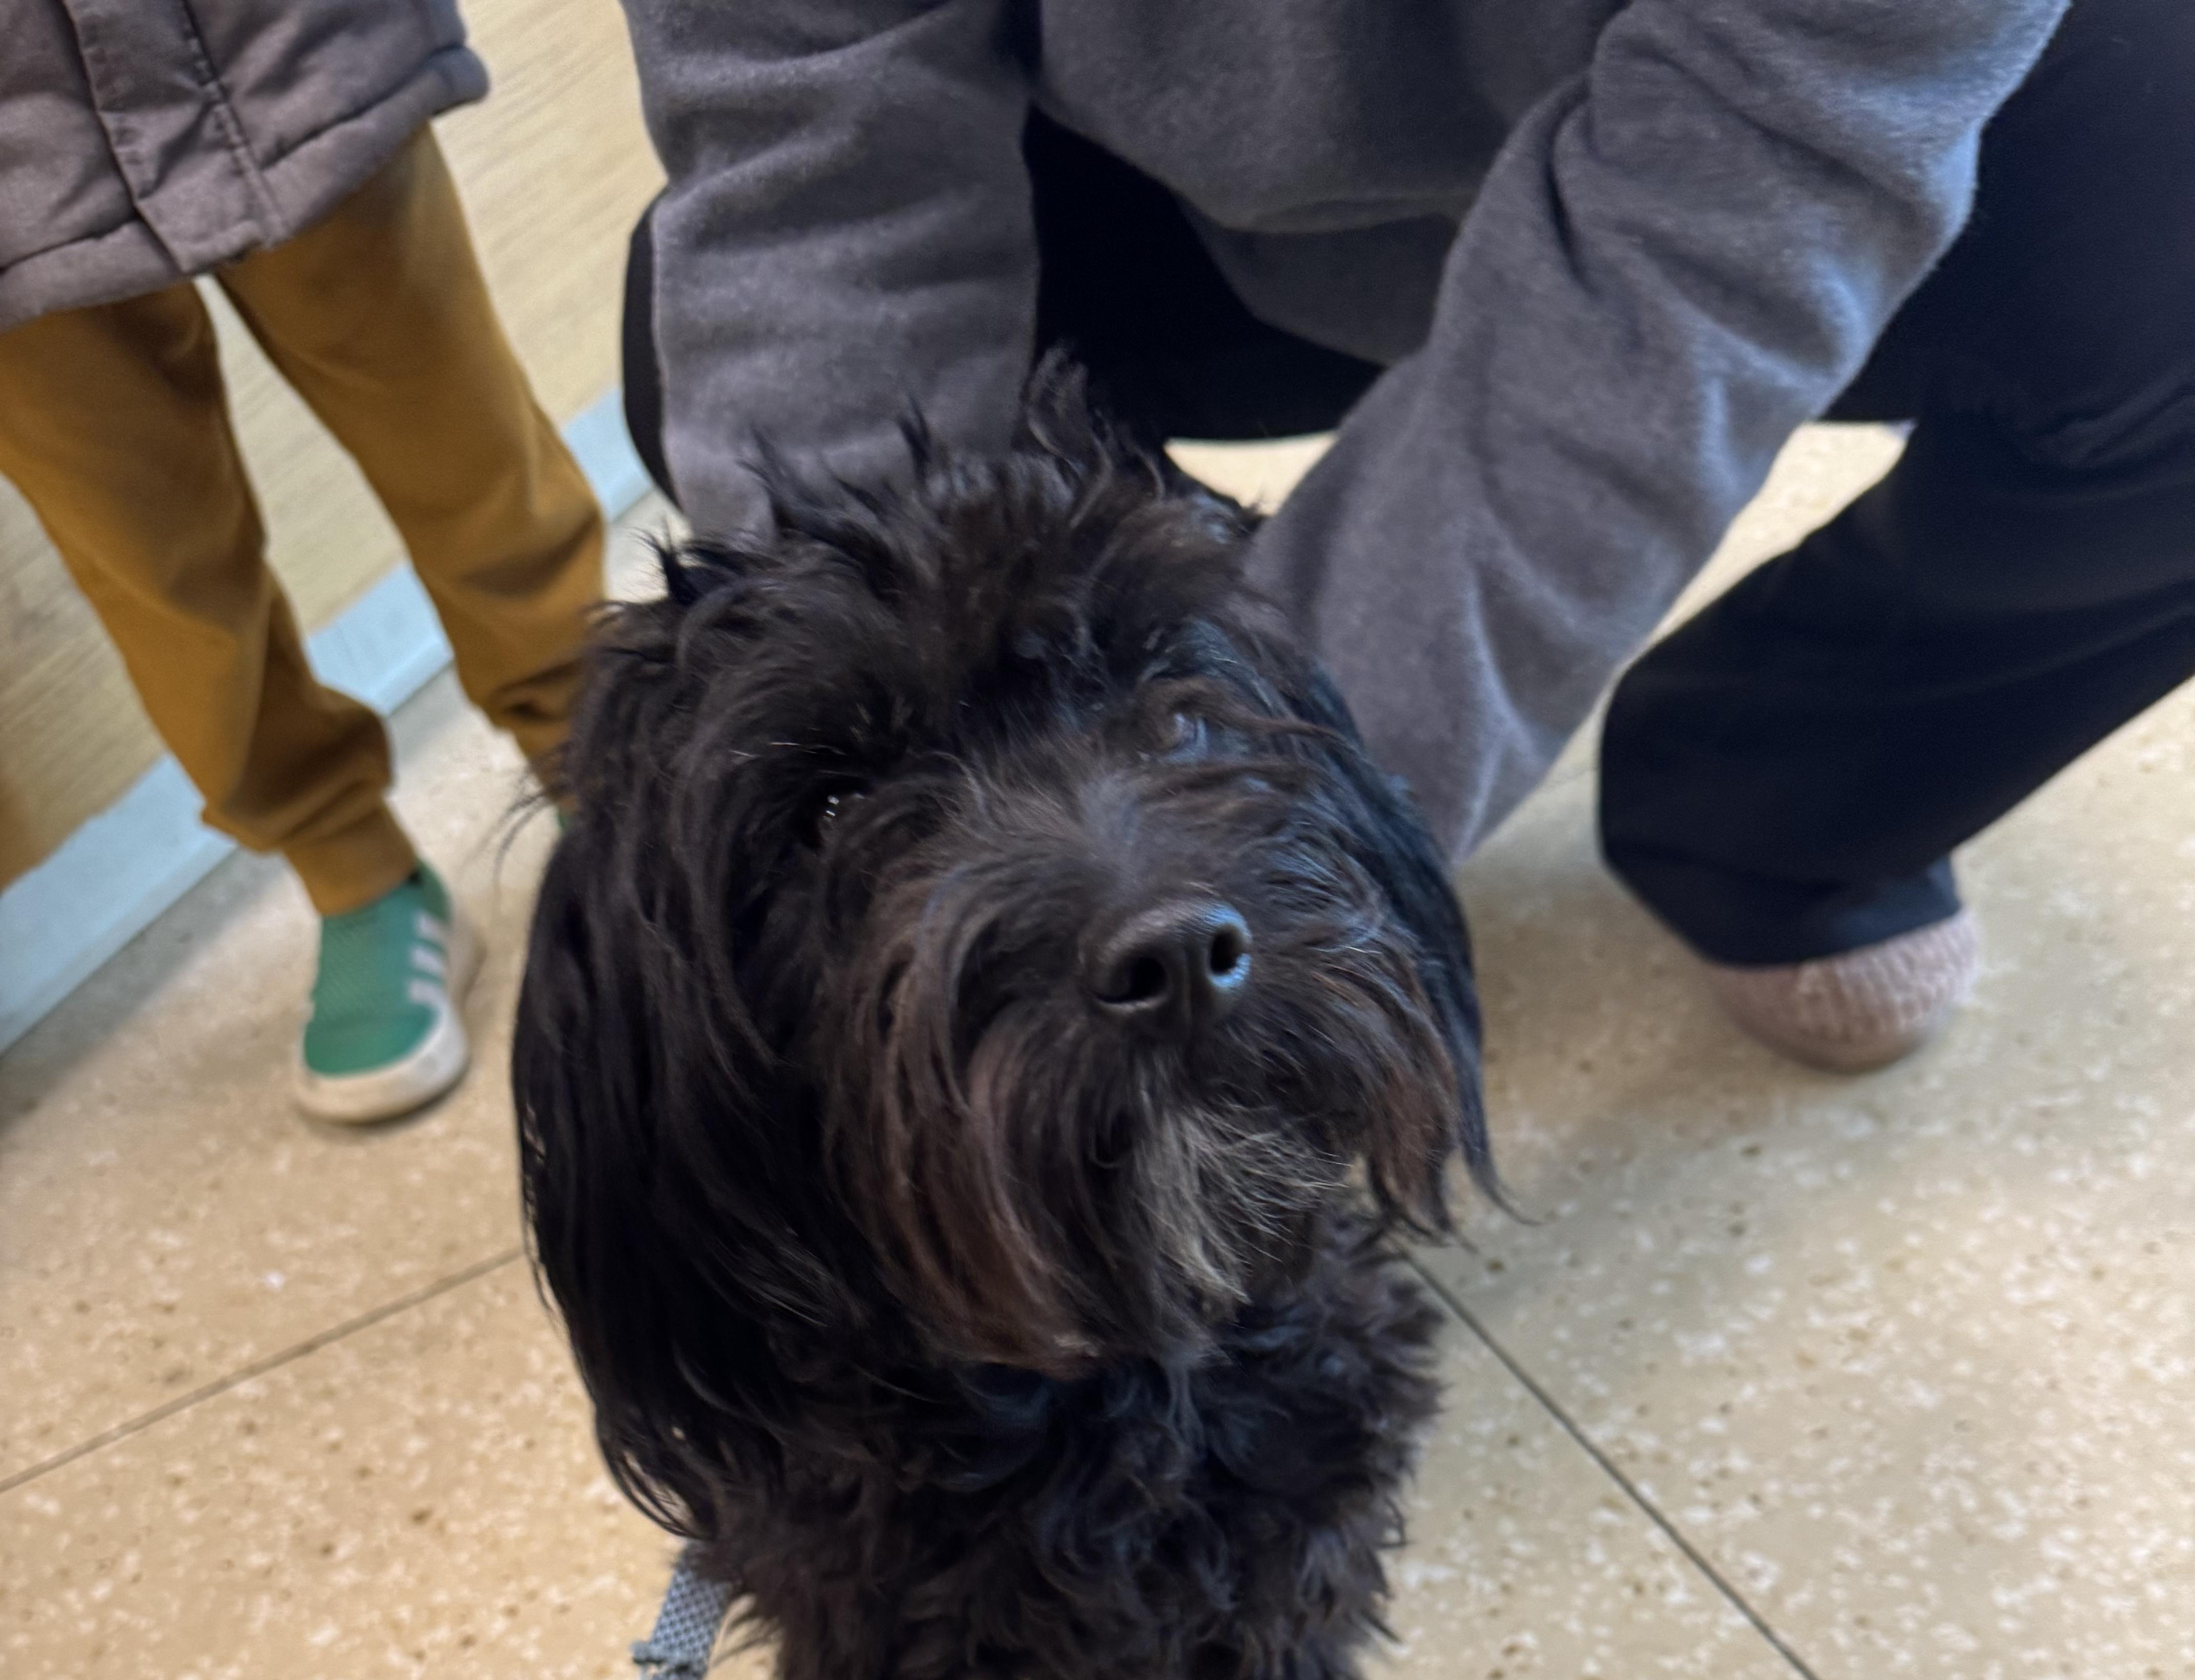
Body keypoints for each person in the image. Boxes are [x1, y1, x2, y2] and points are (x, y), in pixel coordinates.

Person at [612, 0, 2193, 1073]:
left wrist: (1295, 857)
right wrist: (969, 842)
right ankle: (1065, 741)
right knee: (718, 375)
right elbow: (816, 144)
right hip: (1131, 166)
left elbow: (1760, 163)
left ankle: (1763, 808)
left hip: (1777, 108)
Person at [0, 6, 604, 1123]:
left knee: (466, 446)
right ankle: (352, 870)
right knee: (158, 574)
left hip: (281, 40)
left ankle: (602, 769)